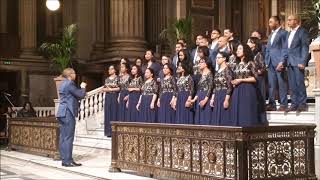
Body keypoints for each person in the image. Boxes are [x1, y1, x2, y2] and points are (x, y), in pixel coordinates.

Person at [56, 68, 86, 167]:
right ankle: (68, 161)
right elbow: (80, 94)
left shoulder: (62, 84)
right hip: (68, 113)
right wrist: (83, 87)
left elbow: (71, 96)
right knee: (68, 137)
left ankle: (65, 159)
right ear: (70, 75)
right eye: (74, 73)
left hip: (61, 112)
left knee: (63, 137)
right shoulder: (69, 83)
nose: (75, 74)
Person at [230, 43, 267, 126]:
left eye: (240, 49)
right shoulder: (236, 64)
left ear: (245, 50)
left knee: (246, 111)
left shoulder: (250, 63)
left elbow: (255, 78)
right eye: (237, 49)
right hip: (237, 90)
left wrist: (241, 80)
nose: (237, 51)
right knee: (237, 110)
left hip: (248, 90)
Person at [286, 14, 310, 112]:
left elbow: (305, 47)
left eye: (290, 20)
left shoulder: (302, 32)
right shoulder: (288, 33)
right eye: (288, 20)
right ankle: (294, 103)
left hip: (298, 62)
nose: (288, 22)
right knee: (292, 84)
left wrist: (303, 61)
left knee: (299, 83)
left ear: (296, 21)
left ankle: (302, 104)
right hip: (289, 62)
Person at [265, 16, 288, 111]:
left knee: (281, 83)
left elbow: (285, 48)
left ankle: (283, 104)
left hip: (279, 62)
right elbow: (268, 50)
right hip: (270, 62)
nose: (269, 24)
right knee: (271, 84)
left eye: (271, 22)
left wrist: (282, 61)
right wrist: (266, 61)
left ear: (277, 22)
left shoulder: (284, 33)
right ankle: (272, 104)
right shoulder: (270, 35)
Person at [210, 52, 233, 125]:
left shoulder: (227, 70)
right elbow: (214, 86)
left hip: (224, 94)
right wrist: (212, 98)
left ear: (224, 59)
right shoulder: (217, 71)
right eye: (216, 58)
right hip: (217, 95)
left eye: (219, 58)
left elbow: (229, 86)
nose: (217, 59)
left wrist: (226, 100)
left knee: (224, 116)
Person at [190, 58, 214, 125]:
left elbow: (210, 88)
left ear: (206, 64)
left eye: (201, 62)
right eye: (199, 62)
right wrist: (194, 100)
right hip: (199, 97)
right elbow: (199, 89)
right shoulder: (202, 75)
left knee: (205, 118)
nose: (199, 64)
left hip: (205, 97)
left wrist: (205, 100)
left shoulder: (209, 74)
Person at [102, 65, 120, 137]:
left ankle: (114, 132)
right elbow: (104, 88)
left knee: (114, 112)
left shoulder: (118, 78)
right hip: (108, 97)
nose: (109, 70)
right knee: (108, 112)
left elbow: (119, 88)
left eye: (111, 69)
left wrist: (111, 89)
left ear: (115, 70)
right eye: (109, 69)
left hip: (114, 96)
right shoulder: (107, 79)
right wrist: (108, 89)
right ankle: (108, 132)